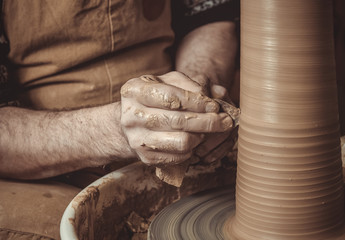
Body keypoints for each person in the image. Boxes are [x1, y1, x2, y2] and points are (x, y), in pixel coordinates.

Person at [0, 0, 239, 239]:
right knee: (74, 226)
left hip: (165, 100)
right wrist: (113, 130)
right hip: (43, 152)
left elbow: (207, 16)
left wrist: (195, 89)